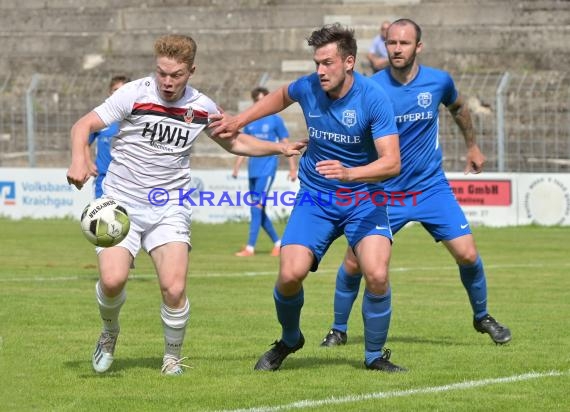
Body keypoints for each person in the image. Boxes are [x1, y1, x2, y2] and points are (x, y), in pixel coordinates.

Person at [66, 34, 306, 376]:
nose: (167, 81)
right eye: (162, 72)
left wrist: (278, 148)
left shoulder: (202, 107)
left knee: (174, 287)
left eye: (175, 74)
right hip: (121, 203)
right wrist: (79, 158)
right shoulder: (134, 93)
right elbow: (84, 125)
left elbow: (234, 140)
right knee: (113, 280)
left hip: (169, 205)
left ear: (191, 71)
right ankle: (109, 333)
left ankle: (172, 356)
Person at [210, 23, 405, 372]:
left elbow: (391, 162)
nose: (319, 71)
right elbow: (281, 95)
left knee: (376, 274)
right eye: (316, 62)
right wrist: (240, 120)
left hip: (364, 198)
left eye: (327, 63)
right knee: (289, 275)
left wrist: (350, 173)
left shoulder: (373, 98)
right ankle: (289, 339)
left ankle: (375, 356)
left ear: (349, 62)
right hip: (316, 197)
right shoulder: (310, 86)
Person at [320, 18, 512, 349]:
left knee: (468, 254)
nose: (396, 49)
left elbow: (459, 108)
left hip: (430, 188)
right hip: (384, 193)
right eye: (391, 43)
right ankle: (338, 329)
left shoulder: (439, 82)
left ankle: (482, 317)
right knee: (354, 262)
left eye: (404, 43)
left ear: (418, 47)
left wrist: (472, 146)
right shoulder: (371, 87)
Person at [232, 86, 297, 257]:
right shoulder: (250, 122)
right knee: (257, 209)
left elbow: (286, 144)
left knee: (256, 206)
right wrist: (237, 167)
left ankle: (250, 248)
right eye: (257, 101)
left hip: (267, 169)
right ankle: (278, 243)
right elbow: (243, 146)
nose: (261, 103)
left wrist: (292, 168)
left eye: (263, 100)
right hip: (253, 169)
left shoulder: (275, 120)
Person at [88, 75, 131, 198]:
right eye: (116, 90)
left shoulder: (136, 119)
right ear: (109, 93)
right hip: (104, 177)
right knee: (103, 215)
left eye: (123, 90)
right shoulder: (101, 119)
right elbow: (85, 142)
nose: (119, 94)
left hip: (129, 180)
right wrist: (87, 162)